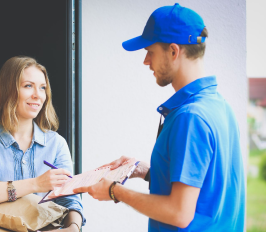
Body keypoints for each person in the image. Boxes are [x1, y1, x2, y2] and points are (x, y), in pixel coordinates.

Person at [74, 3, 245, 231]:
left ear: (174, 51)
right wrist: (146, 171)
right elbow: (204, 190)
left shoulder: (191, 117)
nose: (146, 61)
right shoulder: (220, 107)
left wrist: (114, 191)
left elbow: (179, 213)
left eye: (150, 52)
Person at [0, 56, 85, 232]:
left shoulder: (56, 144)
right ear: (8, 90)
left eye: (42, 88)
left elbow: (69, 198)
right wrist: (35, 184)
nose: (38, 95)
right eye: (28, 86)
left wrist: (72, 227)